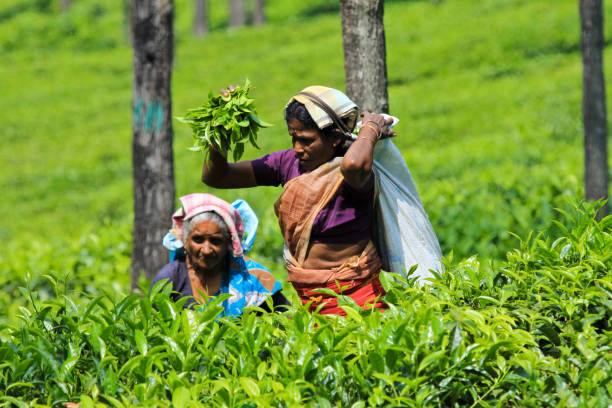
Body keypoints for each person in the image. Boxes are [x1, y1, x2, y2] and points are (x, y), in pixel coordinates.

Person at [201, 85, 396, 315]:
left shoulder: (354, 172)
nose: (297, 149)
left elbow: (354, 165)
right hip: (310, 296)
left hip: (357, 295)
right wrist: (221, 129)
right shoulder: (287, 163)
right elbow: (216, 176)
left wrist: (369, 129)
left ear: (334, 138)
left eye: (306, 140)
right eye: (293, 138)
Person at [151, 193, 290, 316]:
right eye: (198, 239)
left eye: (215, 241)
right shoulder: (170, 278)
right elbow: (155, 329)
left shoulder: (252, 276)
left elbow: (288, 320)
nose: (206, 250)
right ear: (185, 241)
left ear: (229, 243)